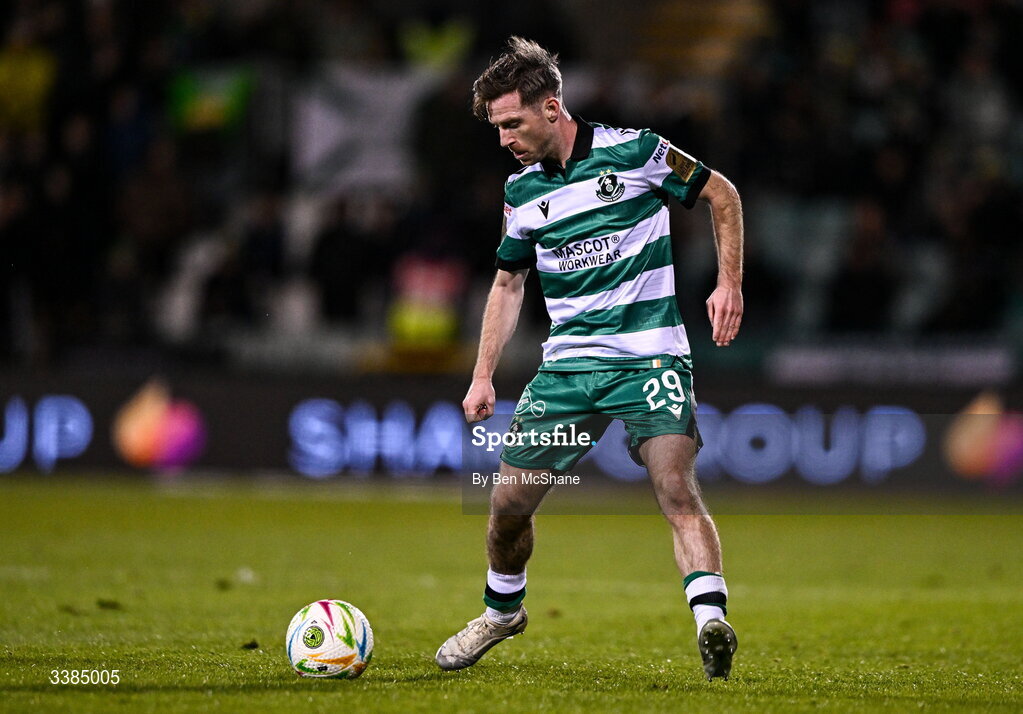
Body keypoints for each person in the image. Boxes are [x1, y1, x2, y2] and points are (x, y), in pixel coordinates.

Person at [435, 37, 744, 681]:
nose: (504, 140)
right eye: (496, 128)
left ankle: (710, 619)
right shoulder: (521, 194)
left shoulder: (637, 152)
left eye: (512, 123)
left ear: (551, 108)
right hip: (569, 368)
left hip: (651, 358)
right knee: (507, 507)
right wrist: (483, 373)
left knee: (674, 483)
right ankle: (503, 610)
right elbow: (507, 283)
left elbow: (723, 195)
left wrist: (728, 282)